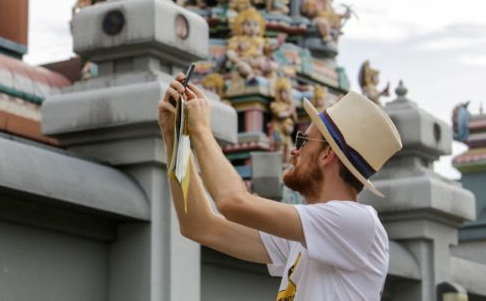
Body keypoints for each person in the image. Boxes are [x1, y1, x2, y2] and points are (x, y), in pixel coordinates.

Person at [158, 77, 402, 300]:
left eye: (304, 141)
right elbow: (199, 226)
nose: (294, 151)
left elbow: (233, 202)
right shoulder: (308, 235)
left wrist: (200, 130)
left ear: (328, 154)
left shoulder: (356, 221)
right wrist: (176, 137)